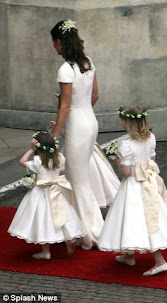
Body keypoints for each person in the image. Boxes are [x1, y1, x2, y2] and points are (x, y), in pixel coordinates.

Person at [98, 105, 167, 276]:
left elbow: (125, 172)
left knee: (140, 220)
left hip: (134, 185)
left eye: (122, 120)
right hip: (149, 181)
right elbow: (151, 160)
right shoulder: (150, 137)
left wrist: (118, 161)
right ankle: (128, 255)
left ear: (127, 122)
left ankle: (160, 261)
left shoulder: (125, 144)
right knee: (146, 216)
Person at [49, 20, 104, 249]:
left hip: (77, 127)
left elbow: (65, 106)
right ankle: (77, 228)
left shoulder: (65, 70)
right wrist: (83, 112)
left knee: (78, 181)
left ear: (60, 42)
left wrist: (55, 133)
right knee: (75, 176)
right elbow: (95, 96)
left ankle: (93, 233)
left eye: (54, 42)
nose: (54, 46)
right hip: (90, 122)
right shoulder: (88, 63)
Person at [8, 131, 85, 259]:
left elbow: (22, 161)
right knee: (61, 214)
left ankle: (46, 251)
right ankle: (69, 238)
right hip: (57, 189)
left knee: (43, 218)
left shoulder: (38, 161)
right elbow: (61, 172)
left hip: (41, 192)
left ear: (38, 147)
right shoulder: (60, 158)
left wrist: (30, 150)